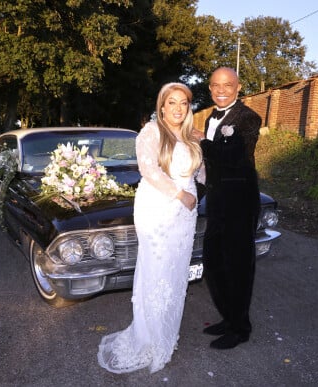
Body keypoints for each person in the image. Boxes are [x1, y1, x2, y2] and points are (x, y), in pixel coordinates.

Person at [97, 82, 204, 373]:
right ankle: (149, 338)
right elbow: (148, 169)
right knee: (156, 272)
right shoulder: (151, 132)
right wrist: (181, 194)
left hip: (184, 215)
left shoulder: (190, 135)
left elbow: (203, 173)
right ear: (161, 105)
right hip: (158, 208)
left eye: (183, 103)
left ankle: (166, 334)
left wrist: (209, 144)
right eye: (172, 103)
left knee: (175, 273)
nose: (178, 108)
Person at [199, 67, 262, 350]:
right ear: (210, 88)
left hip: (239, 201)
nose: (220, 90)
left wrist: (200, 142)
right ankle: (228, 316)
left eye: (227, 85)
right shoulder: (211, 118)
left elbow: (233, 157)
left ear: (238, 87)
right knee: (213, 263)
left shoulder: (249, 118)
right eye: (215, 85)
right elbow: (210, 167)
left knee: (238, 266)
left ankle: (240, 328)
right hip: (216, 200)